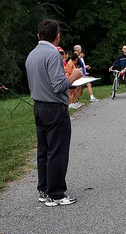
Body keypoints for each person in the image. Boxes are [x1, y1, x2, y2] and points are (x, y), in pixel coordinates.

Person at [25, 19, 82, 206]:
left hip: (39, 106)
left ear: (38, 36)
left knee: (44, 150)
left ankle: (44, 189)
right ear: (57, 36)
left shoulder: (32, 54)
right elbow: (59, 86)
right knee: (57, 150)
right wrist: (72, 77)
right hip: (54, 107)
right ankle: (56, 193)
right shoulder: (53, 54)